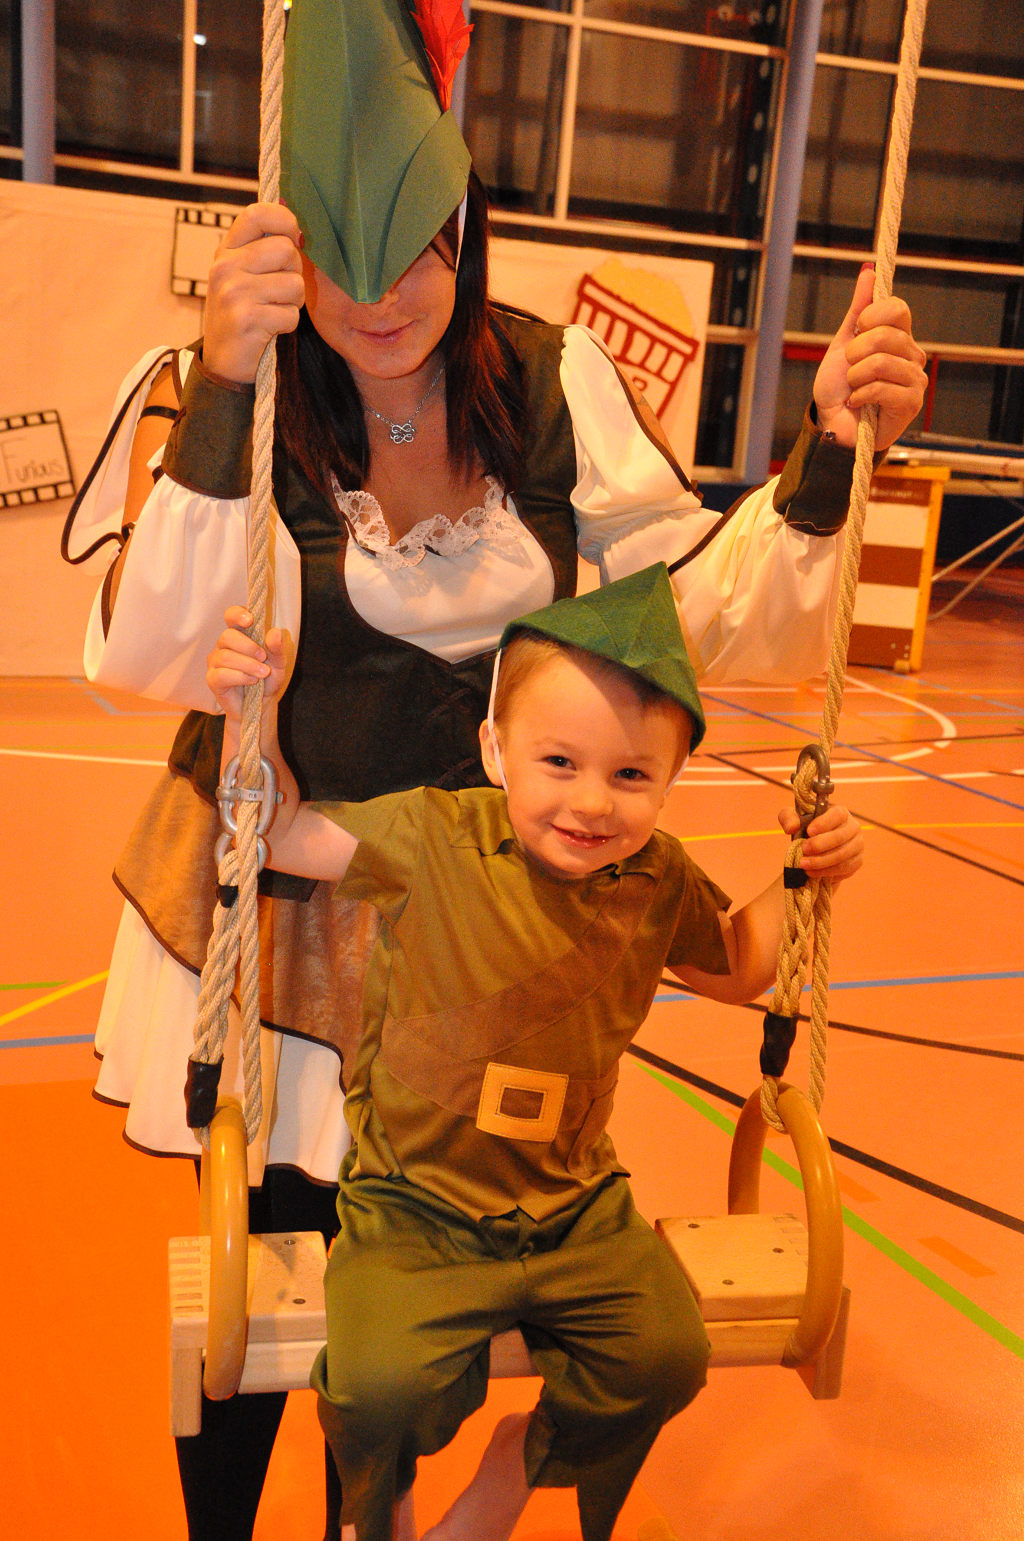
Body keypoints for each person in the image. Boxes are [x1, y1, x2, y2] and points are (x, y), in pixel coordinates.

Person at [59, 3, 926, 1534]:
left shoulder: (553, 382)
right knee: (259, 1277)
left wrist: (832, 445)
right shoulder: (233, 388)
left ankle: (392, 1514)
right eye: (340, 260)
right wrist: (227, 374)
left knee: (417, 1281)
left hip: (485, 917)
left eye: (417, 251)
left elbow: (702, 609)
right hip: (296, 904)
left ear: (468, 225)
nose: (380, 298)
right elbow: (150, 655)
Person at [205, 565, 865, 1541]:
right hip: (414, 1206)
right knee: (376, 1390)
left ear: (670, 779)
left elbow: (736, 963)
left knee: (661, 1356)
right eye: (559, 761)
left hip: (572, 1205)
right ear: (495, 748)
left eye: (631, 775)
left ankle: (516, 1464)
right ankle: (385, 1502)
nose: (592, 802)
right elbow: (277, 832)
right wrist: (248, 724)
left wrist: (806, 875)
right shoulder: (433, 836)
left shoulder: (654, 878)